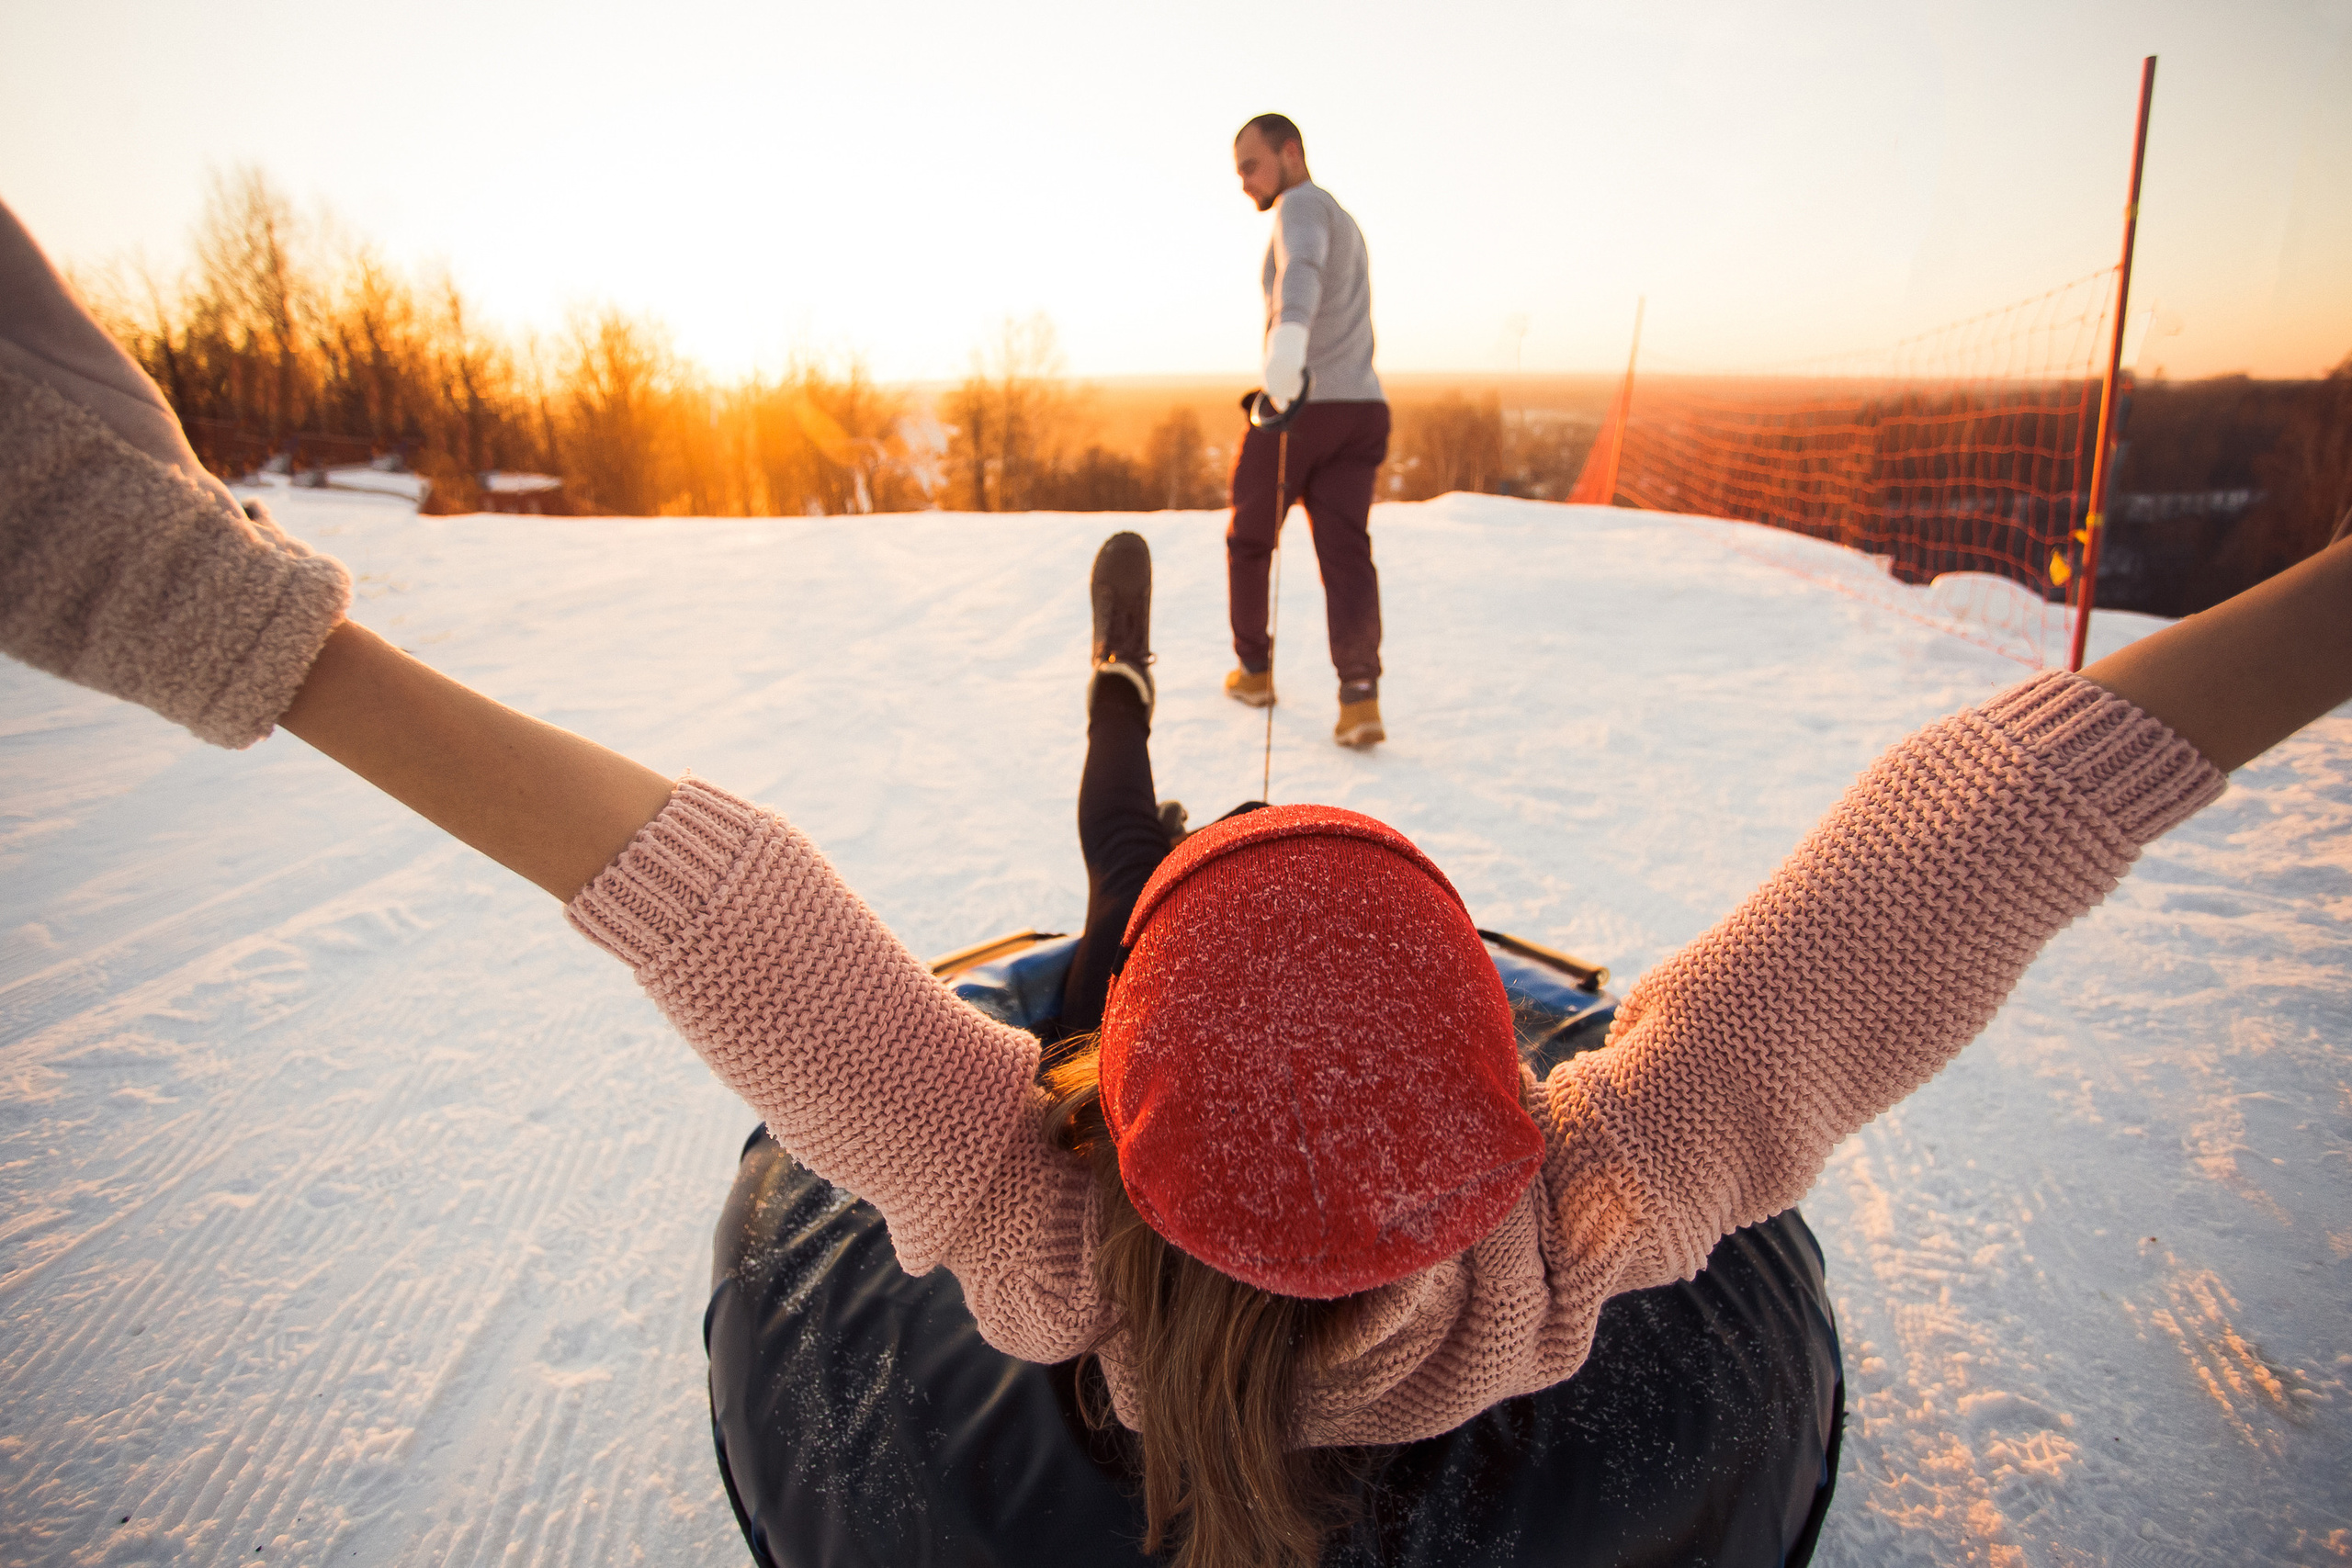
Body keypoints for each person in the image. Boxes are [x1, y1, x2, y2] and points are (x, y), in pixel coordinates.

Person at [8, 196, 2352, 1567]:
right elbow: (1972, 833)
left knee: (1098, 896)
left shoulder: (1032, 1218)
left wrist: (217, 608)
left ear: (1107, 1112)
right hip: (1371, 1164)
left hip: (1102, 1072)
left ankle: (1123, 781)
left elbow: (710, 904)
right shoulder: (1592, 1201)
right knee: (1133, 908)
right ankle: (1140, 779)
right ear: (1499, 1079)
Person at [1225, 113, 1392, 749]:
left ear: (1289, 153)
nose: (1243, 181)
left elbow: (1302, 271)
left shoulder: (1299, 207)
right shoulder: (1342, 216)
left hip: (1305, 406)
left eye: (1250, 165)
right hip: (1363, 408)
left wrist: (1286, 353)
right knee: (1346, 553)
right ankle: (1359, 700)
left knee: (1250, 536)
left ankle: (1254, 670)